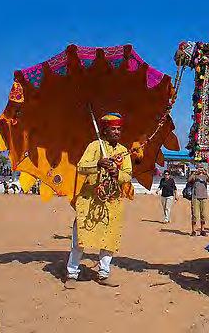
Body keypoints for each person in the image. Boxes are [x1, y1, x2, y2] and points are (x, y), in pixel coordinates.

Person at [64, 113, 133, 289]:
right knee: (81, 237)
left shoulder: (124, 151)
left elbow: (128, 175)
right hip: (90, 201)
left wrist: (117, 173)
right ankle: (72, 273)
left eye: (119, 129)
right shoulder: (95, 146)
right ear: (105, 130)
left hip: (112, 202)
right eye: (113, 129)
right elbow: (80, 167)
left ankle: (104, 273)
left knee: (110, 239)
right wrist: (98, 164)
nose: (117, 132)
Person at [188, 164, 209, 236]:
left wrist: (207, 173)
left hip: (203, 197)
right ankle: (193, 230)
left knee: (203, 215)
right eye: (199, 167)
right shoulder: (194, 175)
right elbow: (189, 180)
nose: (200, 169)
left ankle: (202, 230)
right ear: (197, 168)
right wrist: (194, 173)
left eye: (201, 167)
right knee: (194, 214)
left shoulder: (205, 176)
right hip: (195, 197)